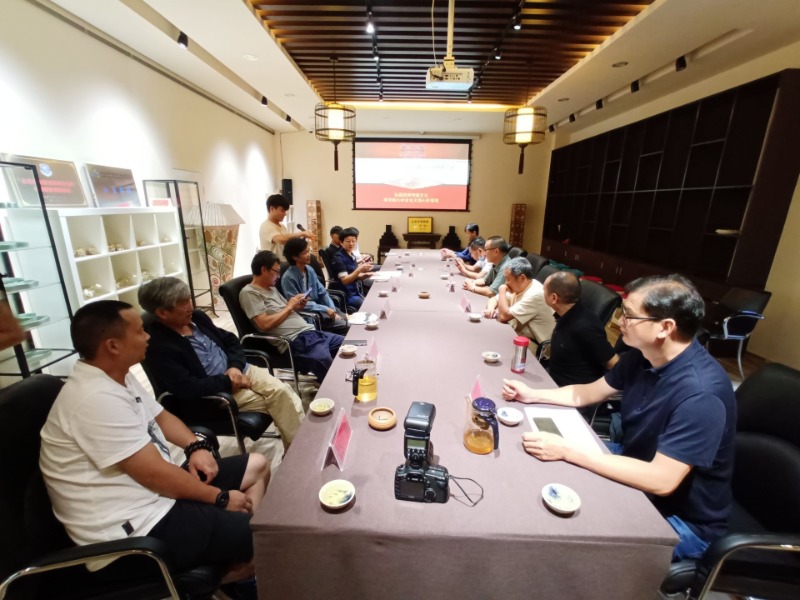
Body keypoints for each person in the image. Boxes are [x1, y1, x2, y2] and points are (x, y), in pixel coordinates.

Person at [40, 300, 268, 597]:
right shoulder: (94, 399)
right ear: (113, 345)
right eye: (139, 331)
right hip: (133, 531)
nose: (148, 336)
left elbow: (161, 416)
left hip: (154, 497)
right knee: (260, 534)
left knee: (257, 465)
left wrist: (196, 445)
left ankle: (240, 560)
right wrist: (221, 498)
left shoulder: (117, 375)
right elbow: (155, 475)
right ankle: (236, 570)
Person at [502, 274, 736, 562]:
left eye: (629, 315)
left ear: (665, 327)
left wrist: (568, 451)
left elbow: (662, 480)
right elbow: (588, 392)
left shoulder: (701, 394)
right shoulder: (643, 355)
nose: (619, 321)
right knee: (536, 463)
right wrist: (532, 395)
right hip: (633, 461)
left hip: (679, 519)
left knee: (568, 542)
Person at [140, 277, 304, 450]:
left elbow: (231, 340)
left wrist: (234, 368)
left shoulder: (197, 318)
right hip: (216, 393)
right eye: (183, 303)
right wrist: (228, 381)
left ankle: (296, 451)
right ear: (163, 313)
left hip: (241, 370)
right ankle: (299, 452)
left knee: (284, 393)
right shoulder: (159, 346)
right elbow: (187, 387)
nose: (191, 306)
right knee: (286, 401)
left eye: (189, 299)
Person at [240, 251, 343, 382]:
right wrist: (289, 306)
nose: (278, 276)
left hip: (311, 333)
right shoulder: (249, 293)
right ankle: (335, 387)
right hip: (295, 341)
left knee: (350, 344)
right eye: (276, 272)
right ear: (264, 269)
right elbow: (263, 325)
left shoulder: (271, 288)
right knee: (326, 364)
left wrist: (297, 306)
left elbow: (287, 310)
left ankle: (327, 381)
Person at [543, 271, 619, 387]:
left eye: (544, 290)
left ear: (554, 298)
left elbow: (614, 363)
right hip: (554, 377)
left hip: (570, 390)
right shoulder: (567, 314)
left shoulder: (585, 326)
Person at [283, 237, 348, 334]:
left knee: (349, 320)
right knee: (347, 325)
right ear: (294, 257)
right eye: (305, 253)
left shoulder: (309, 269)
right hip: (311, 314)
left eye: (308, 251)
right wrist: (325, 309)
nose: (309, 255)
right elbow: (297, 305)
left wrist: (331, 308)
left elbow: (322, 292)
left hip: (321, 308)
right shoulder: (288, 278)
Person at [484, 257, 555, 344]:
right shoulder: (520, 287)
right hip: (519, 335)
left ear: (522, 278)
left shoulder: (535, 294)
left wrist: (501, 290)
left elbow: (504, 317)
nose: (506, 283)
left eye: (508, 279)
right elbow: (493, 299)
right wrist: (490, 309)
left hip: (535, 344)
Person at [330, 227, 372, 310]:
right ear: (341, 242)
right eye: (348, 241)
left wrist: (365, 275)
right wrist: (359, 270)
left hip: (357, 290)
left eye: (353, 241)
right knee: (368, 306)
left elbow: (353, 274)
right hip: (348, 294)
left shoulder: (351, 254)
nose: (351, 244)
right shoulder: (338, 258)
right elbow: (345, 280)